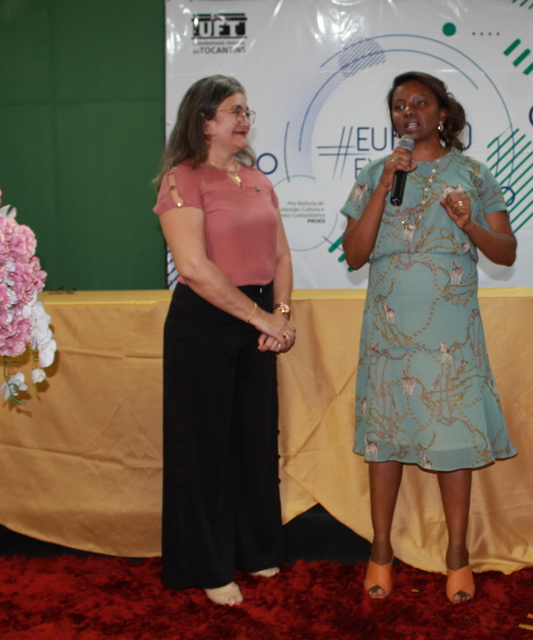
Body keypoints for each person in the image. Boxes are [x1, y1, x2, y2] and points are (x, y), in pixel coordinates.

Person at [341, 71, 517, 603]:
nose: (408, 112)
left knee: (454, 435)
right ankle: (380, 551)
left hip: (450, 331)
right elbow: (353, 255)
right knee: (385, 439)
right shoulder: (376, 172)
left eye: (420, 103)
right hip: (388, 329)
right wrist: (381, 187)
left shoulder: (473, 173)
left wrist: (469, 225)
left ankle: (458, 555)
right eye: (399, 105)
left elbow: (505, 251)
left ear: (443, 113)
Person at [153, 75, 296, 607]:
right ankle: (208, 564)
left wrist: (279, 315)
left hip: (258, 318)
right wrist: (263, 319)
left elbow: (281, 256)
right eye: (233, 111)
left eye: (247, 111)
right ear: (203, 121)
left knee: (255, 443)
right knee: (205, 448)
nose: (244, 119)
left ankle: (257, 548)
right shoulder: (182, 179)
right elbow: (193, 268)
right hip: (206, 324)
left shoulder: (258, 179)